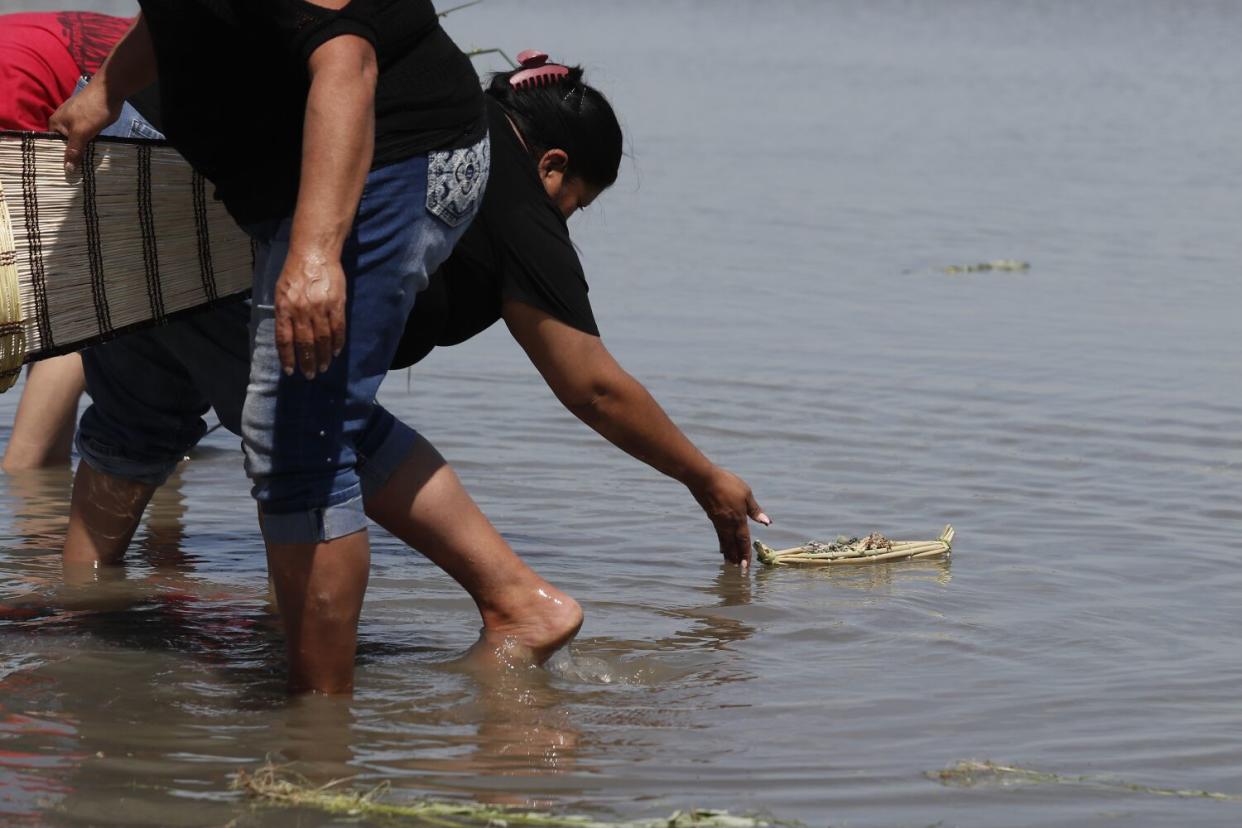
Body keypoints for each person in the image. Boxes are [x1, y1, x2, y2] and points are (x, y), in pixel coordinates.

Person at [57, 55, 769, 693]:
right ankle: (518, 602)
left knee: (139, 409)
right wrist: (704, 477)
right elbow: (593, 384)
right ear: (552, 164)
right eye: (575, 203)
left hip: (136, 155)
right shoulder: (509, 185)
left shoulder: (447, 125)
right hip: (198, 182)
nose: (566, 221)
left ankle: (77, 612)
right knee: (309, 418)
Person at [51, 2, 492, 695]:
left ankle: (317, 727)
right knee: (232, 411)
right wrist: (107, 89)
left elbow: (347, 62)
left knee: (298, 436)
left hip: (392, 150)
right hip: (288, 173)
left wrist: (316, 256)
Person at [0, 10, 155, 472]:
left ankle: (31, 505)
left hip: (140, 106)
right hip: (145, 78)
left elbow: (51, 276)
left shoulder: (8, 92)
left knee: (67, 306)